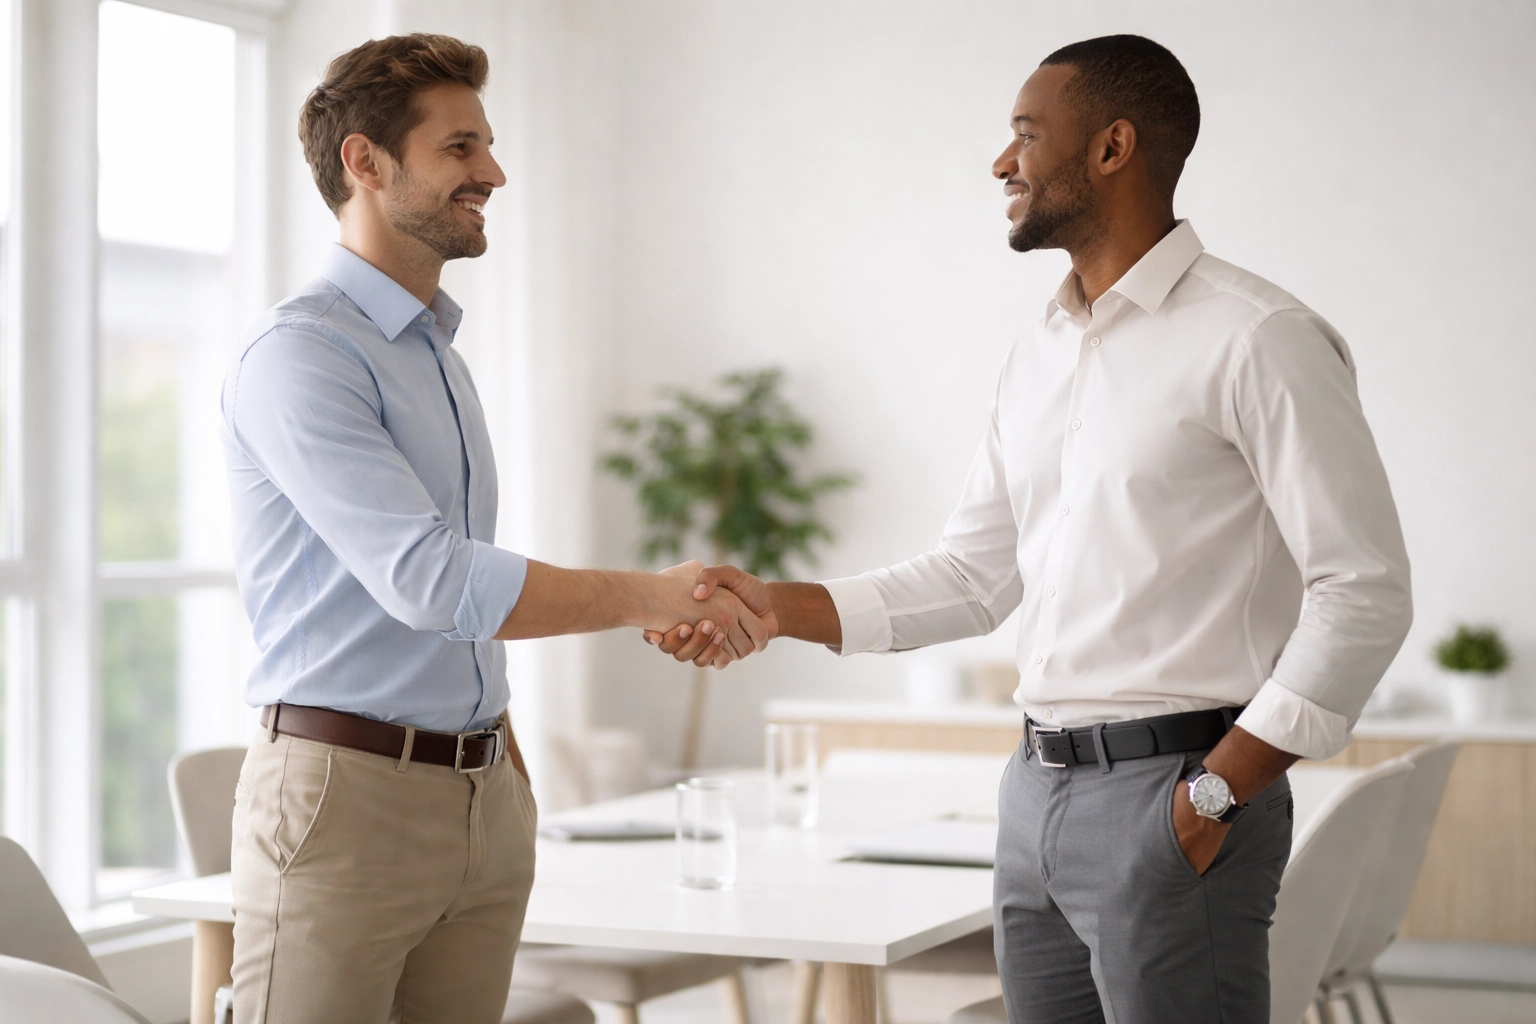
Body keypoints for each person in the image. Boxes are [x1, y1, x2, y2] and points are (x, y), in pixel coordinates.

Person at [646, 34, 1412, 1023]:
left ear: (1112, 147)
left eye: (1023, 133)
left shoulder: (1257, 337)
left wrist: (1215, 798)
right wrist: (772, 605)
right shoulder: (1040, 352)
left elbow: (1364, 589)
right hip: (1032, 792)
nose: (1001, 162)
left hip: (1178, 794)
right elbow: (973, 573)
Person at [220, 34, 765, 1024]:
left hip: (479, 799)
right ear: (366, 163)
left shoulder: (439, 355)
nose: (494, 173)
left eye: (489, 146)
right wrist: (652, 592)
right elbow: (432, 580)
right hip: (345, 801)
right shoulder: (301, 356)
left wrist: (501, 767)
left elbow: (451, 608)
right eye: (461, 148)